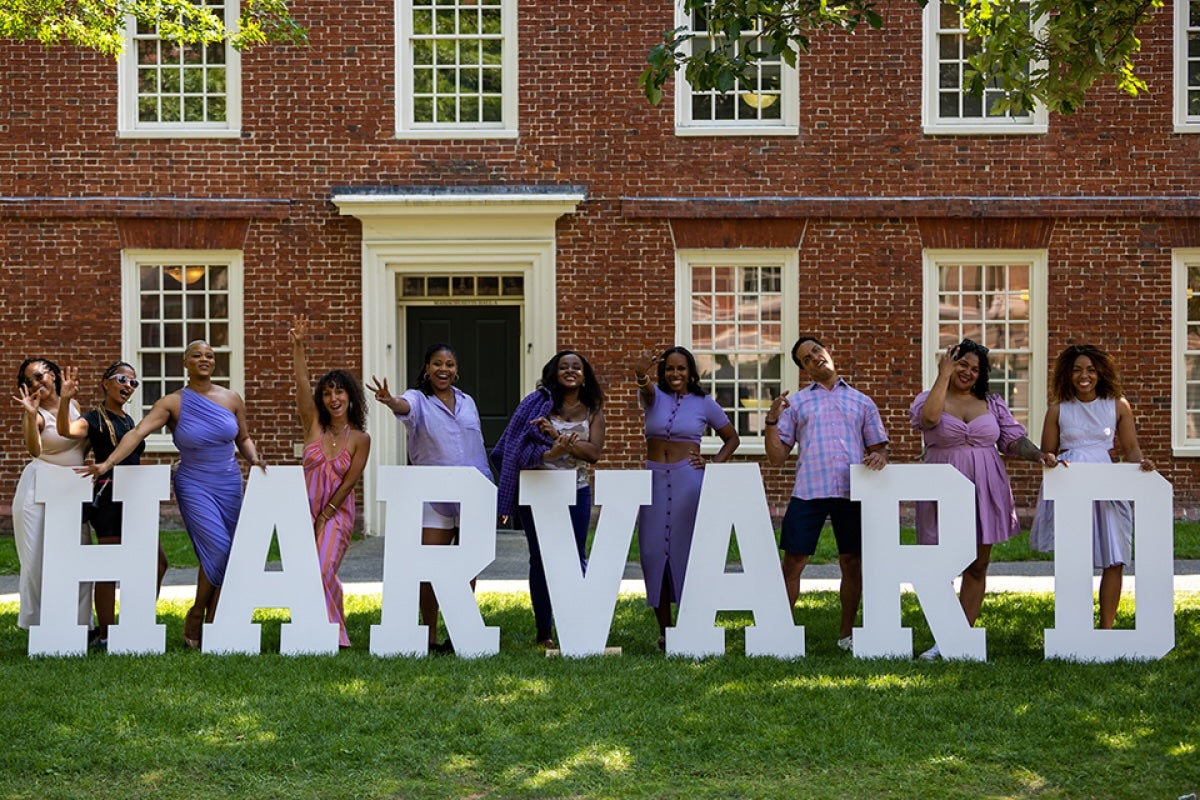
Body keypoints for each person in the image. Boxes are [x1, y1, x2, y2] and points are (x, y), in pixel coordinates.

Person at [82, 340, 266, 649]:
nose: (204, 359)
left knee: (230, 554)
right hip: (194, 483)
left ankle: (214, 623)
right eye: (197, 355)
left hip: (229, 483)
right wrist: (108, 463)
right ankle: (195, 613)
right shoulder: (172, 402)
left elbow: (243, 437)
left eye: (209, 355)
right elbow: (138, 432)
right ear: (186, 363)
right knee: (217, 550)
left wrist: (255, 459)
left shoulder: (232, 398)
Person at [910, 339, 1056, 659]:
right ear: (949, 363)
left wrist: (1039, 456)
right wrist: (943, 376)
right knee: (939, 565)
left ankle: (960, 637)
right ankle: (943, 634)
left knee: (977, 564)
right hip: (941, 486)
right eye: (963, 365)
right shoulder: (930, 398)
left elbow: (1013, 442)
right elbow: (930, 420)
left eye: (976, 369)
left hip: (984, 485)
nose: (969, 373)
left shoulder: (992, 403)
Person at [765, 337, 889, 653]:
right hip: (810, 490)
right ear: (804, 368)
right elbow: (777, 458)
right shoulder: (798, 404)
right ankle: (781, 632)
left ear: (828, 352)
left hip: (852, 492)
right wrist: (771, 420)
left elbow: (878, 448)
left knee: (852, 562)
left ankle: (846, 634)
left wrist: (879, 457)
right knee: (793, 561)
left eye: (816, 352)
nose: (814, 358)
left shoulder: (862, 401)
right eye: (806, 358)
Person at [368, 343, 492, 654]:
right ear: (426, 368)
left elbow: (477, 447)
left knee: (468, 568)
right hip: (433, 499)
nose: (443, 369)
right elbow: (403, 407)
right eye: (437, 363)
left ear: (456, 369)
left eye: (449, 364)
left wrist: (490, 491)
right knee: (428, 568)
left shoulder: (468, 402)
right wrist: (389, 400)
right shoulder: (418, 399)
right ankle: (430, 635)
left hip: (472, 494)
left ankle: (460, 633)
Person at [1029, 344, 1154, 629]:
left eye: (1090, 370)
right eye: (1076, 370)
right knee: (1075, 559)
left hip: (1107, 485)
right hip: (1072, 485)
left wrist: (1141, 465)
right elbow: (1048, 452)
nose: (1083, 376)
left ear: (1100, 373)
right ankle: (1076, 627)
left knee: (1114, 557)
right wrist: (1050, 459)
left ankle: (1106, 628)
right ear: (1067, 375)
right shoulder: (1058, 410)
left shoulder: (1117, 405)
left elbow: (1131, 448)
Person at [492, 350, 606, 648]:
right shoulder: (537, 405)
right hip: (539, 488)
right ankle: (544, 632)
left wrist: (556, 436)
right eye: (563, 367)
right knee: (540, 560)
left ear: (585, 375)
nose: (570, 371)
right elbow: (517, 447)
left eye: (576, 367)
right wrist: (553, 451)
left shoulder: (593, 411)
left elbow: (593, 454)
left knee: (576, 556)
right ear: (554, 373)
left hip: (577, 489)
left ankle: (579, 624)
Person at [629, 346, 739, 650]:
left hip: (689, 481)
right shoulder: (653, 397)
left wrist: (714, 464)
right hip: (653, 480)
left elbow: (732, 437)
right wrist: (641, 372)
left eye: (681, 369)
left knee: (688, 553)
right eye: (669, 369)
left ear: (691, 371)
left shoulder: (705, 404)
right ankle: (666, 631)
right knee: (653, 554)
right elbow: (645, 387)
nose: (675, 374)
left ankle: (691, 625)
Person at [57, 361, 169, 648]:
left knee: (158, 563)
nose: (128, 387)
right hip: (109, 497)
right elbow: (67, 431)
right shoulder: (94, 418)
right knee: (108, 566)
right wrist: (66, 399)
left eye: (134, 383)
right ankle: (106, 635)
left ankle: (135, 620)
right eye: (122, 380)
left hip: (135, 498)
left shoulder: (129, 421)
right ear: (105, 382)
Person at [289, 316, 371, 648]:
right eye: (327, 393)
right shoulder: (313, 426)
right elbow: (301, 384)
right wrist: (298, 346)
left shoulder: (360, 439)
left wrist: (327, 513)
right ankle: (337, 629)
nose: (332, 398)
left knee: (320, 571)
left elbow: (351, 480)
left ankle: (331, 637)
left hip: (337, 513)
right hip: (304, 511)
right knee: (318, 572)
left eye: (339, 392)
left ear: (350, 397)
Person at [11, 357, 92, 631]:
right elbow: (33, 450)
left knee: (78, 553)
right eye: (29, 380)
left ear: (54, 376)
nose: (36, 383)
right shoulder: (35, 413)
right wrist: (30, 415)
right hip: (39, 489)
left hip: (71, 490)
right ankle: (38, 626)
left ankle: (79, 624)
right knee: (35, 559)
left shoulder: (74, 406)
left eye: (40, 375)